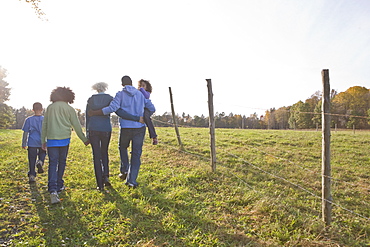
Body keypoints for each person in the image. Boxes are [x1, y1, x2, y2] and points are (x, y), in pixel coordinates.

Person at [89, 75, 155, 188]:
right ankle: (131, 181)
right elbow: (152, 108)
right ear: (132, 83)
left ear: (122, 84)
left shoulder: (120, 94)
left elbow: (112, 108)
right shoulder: (140, 94)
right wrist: (144, 115)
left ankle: (124, 169)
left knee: (122, 147)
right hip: (139, 127)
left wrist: (96, 112)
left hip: (125, 127)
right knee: (136, 154)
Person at [86, 82, 141, 191]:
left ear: (95, 89)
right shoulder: (110, 98)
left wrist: (87, 132)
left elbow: (88, 115)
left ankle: (99, 184)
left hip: (93, 128)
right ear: (105, 88)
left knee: (96, 156)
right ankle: (106, 176)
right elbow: (116, 110)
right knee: (104, 152)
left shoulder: (91, 99)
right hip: (106, 128)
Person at [41, 87, 90, 204]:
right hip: (64, 140)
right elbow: (77, 126)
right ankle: (59, 185)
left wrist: (43, 140)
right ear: (69, 96)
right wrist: (84, 139)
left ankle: (52, 189)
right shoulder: (70, 109)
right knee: (62, 162)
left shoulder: (50, 108)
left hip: (52, 139)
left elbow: (45, 125)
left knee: (53, 163)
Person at [22, 102, 46, 183]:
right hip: (42, 141)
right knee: (42, 153)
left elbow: (25, 132)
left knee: (32, 159)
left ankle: (32, 175)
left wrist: (24, 143)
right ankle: (40, 161)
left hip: (32, 142)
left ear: (32, 110)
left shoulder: (28, 119)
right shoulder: (45, 119)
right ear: (42, 109)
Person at [138, 79, 158, 145]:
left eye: (143, 85)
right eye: (140, 85)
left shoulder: (147, 93)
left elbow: (146, 96)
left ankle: (154, 137)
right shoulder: (138, 92)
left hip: (147, 109)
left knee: (146, 118)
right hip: (141, 109)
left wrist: (141, 89)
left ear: (147, 87)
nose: (141, 87)